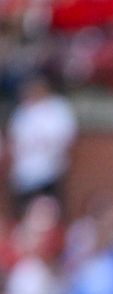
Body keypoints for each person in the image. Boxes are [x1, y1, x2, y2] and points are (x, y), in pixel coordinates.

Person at [3, 74, 78, 219]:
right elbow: (15, 141)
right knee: (23, 213)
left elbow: (66, 138)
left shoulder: (58, 108)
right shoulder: (22, 112)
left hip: (50, 172)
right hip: (24, 174)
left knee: (50, 213)